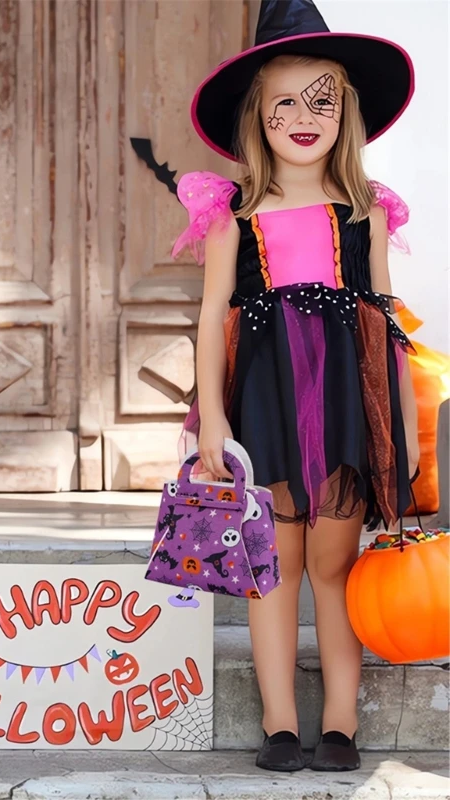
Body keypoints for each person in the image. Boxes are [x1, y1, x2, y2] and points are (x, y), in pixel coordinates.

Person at [173, 0, 417, 773]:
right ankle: (281, 723)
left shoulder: (364, 214)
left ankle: (339, 721)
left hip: (346, 405)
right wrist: (211, 420)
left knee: (332, 567)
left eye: (323, 100)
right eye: (285, 101)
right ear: (258, 115)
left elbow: (387, 325)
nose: (303, 117)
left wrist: (403, 431)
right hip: (268, 406)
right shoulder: (233, 218)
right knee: (271, 567)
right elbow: (213, 321)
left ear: (345, 113)